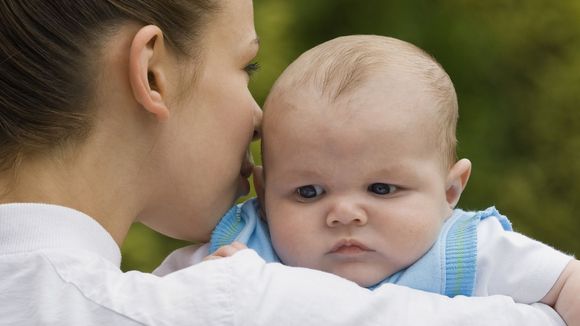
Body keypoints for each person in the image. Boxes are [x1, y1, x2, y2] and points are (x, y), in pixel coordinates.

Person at [0, 0, 570, 324]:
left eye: (382, 188)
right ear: (153, 73)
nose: (257, 118)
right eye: (246, 68)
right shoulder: (230, 304)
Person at [156, 35, 579, 325]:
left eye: (381, 189)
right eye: (308, 192)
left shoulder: (467, 251)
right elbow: (139, 307)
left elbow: (566, 283)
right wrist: (199, 292)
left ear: (450, 191)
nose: (344, 213)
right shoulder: (245, 250)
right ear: (265, 195)